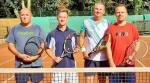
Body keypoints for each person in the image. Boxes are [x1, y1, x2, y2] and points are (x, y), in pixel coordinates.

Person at [6, 8, 46, 83]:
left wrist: (36, 56)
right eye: (22, 15)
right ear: (20, 16)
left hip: (36, 64)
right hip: (20, 65)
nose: (25, 17)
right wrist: (19, 55)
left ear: (31, 16)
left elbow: (43, 44)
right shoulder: (15, 29)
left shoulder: (38, 28)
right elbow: (10, 44)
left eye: (27, 15)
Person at [106, 4, 139, 83]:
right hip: (114, 65)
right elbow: (108, 46)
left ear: (126, 14)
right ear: (115, 14)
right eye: (118, 12)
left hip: (129, 65)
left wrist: (132, 56)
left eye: (122, 12)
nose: (120, 14)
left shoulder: (132, 27)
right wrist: (111, 63)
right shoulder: (110, 28)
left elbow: (137, 43)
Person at [79, 2, 110, 83]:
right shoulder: (86, 22)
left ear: (103, 11)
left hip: (104, 58)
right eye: (96, 9)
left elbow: (109, 38)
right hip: (90, 58)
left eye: (100, 9)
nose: (98, 11)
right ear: (93, 10)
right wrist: (83, 50)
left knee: (102, 80)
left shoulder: (108, 22)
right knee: (89, 80)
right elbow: (81, 37)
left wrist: (102, 47)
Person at [46, 9, 78, 83]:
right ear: (57, 18)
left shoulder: (73, 33)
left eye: (64, 17)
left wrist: (76, 49)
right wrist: (54, 58)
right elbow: (47, 48)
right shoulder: (52, 34)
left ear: (67, 18)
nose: (62, 19)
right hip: (57, 67)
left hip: (71, 66)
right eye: (60, 17)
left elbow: (75, 47)